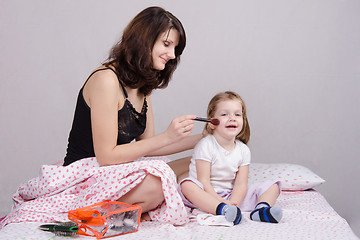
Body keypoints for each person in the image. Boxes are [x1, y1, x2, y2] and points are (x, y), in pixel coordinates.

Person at [1, 6, 198, 228]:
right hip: (85, 174)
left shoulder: (143, 86)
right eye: (166, 44)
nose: (172, 55)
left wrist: (205, 138)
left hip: (114, 172)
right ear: (144, 40)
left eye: (175, 48)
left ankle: (123, 210)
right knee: (158, 181)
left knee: (196, 163)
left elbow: (148, 147)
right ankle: (89, 212)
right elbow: (106, 156)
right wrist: (168, 136)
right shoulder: (106, 80)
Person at [179, 91, 282, 225]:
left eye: (237, 114)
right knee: (187, 185)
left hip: (229, 195)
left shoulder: (243, 150)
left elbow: (241, 184)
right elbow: (203, 180)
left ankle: (261, 210)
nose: (232, 118)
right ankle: (222, 209)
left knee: (272, 186)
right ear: (212, 122)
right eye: (224, 114)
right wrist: (220, 202)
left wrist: (234, 202)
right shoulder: (205, 145)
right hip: (204, 194)